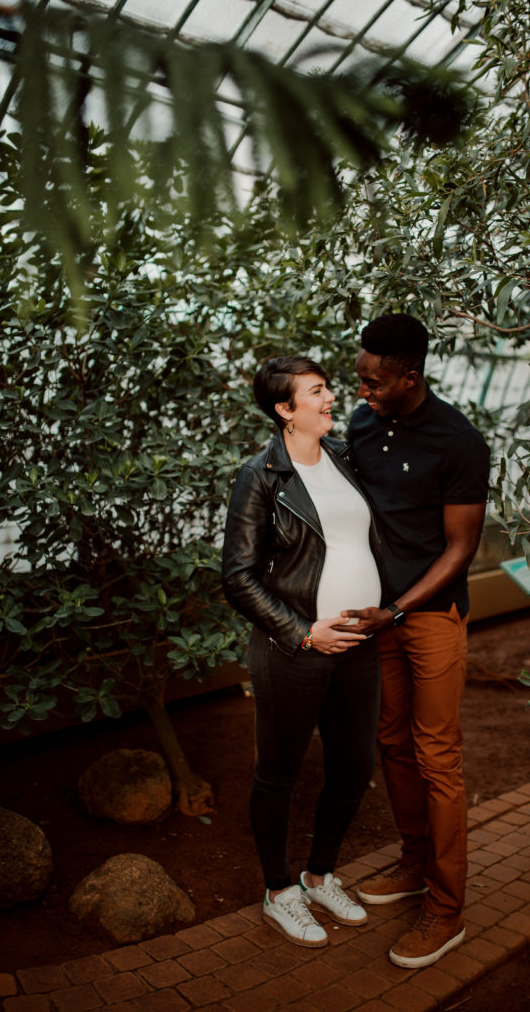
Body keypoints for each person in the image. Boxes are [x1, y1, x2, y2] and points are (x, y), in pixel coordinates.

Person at [342, 313, 490, 970]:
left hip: (426, 615)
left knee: (436, 757)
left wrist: (398, 610)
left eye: (375, 382)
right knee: (391, 742)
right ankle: (411, 862)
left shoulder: (458, 442)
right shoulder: (362, 424)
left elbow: (460, 549)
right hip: (377, 615)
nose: (364, 393)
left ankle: (446, 906)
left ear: (410, 374)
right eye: (359, 380)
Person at [222, 354, 383, 950]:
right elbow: (238, 576)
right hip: (294, 649)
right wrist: (303, 632)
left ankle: (320, 876)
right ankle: (279, 891)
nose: (330, 397)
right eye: (316, 392)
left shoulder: (344, 457)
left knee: (353, 768)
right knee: (278, 776)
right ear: (285, 409)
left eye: (326, 388)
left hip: (361, 646)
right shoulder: (261, 474)